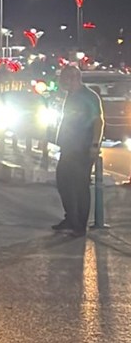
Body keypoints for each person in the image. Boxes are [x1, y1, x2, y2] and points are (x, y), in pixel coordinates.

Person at [54, 66, 104, 237]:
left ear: (72, 78)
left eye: (64, 80)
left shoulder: (89, 96)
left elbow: (98, 121)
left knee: (81, 185)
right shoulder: (71, 96)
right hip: (69, 147)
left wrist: (95, 145)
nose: (62, 84)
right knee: (63, 182)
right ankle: (70, 218)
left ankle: (80, 224)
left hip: (82, 148)